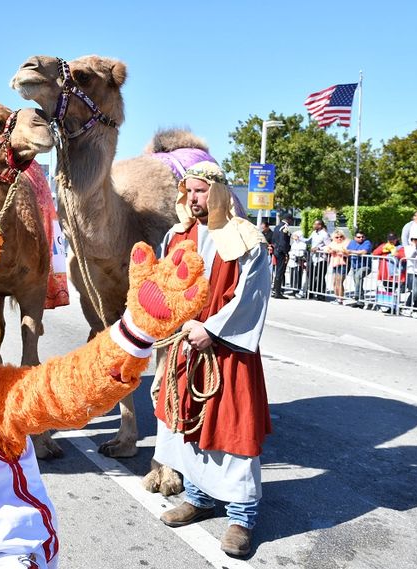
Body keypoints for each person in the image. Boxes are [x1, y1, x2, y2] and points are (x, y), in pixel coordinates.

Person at [152, 161, 271, 558]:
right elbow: (163, 284)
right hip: (184, 349)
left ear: (218, 193)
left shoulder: (245, 239)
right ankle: (199, 497)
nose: (193, 199)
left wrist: (213, 329)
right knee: (187, 426)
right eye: (189, 191)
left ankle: (241, 517)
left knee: (233, 434)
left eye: (200, 191)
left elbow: (251, 296)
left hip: (225, 353)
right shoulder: (177, 234)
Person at [372, 234, 406, 312]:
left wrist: (396, 253)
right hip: (384, 274)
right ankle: (391, 306)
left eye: (393, 239)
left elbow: (404, 257)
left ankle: (394, 307)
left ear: (396, 239)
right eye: (389, 239)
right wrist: (384, 249)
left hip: (395, 274)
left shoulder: (400, 248)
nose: (391, 241)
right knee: (388, 290)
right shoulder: (384, 245)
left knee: (394, 291)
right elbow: (374, 253)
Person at [346, 229, 373, 307]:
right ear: (355, 237)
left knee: (358, 277)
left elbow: (364, 251)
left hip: (365, 266)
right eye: (359, 237)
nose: (361, 238)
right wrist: (351, 251)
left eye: (362, 237)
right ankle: (360, 302)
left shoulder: (367, 242)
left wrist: (352, 251)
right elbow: (347, 251)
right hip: (355, 266)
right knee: (357, 282)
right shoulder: (352, 242)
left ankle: (357, 295)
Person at [401, 234, 417, 317]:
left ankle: (416, 308)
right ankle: (407, 307)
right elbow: (410, 257)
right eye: (413, 239)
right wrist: (414, 247)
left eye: (416, 239)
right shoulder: (408, 248)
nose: (415, 241)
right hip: (412, 271)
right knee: (414, 291)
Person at [323, 230, 350, 304]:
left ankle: (340, 299)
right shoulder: (333, 243)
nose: (339, 238)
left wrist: (336, 250)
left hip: (343, 263)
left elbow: (347, 251)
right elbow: (326, 248)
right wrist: (329, 250)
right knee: (334, 282)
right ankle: (337, 298)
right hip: (335, 263)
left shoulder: (346, 242)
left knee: (339, 281)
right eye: (337, 237)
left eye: (341, 237)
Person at [307, 220, 331, 299]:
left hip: (321, 259)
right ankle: (311, 292)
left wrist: (319, 248)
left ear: (320, 226)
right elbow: (308, 241)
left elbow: (329, 246)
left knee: (320, 277)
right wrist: (298, 238)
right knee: (311, 276)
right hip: (313, 257)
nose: (313, 225)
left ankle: (321, 295)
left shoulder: (325, 234)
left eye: (315, 224)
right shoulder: (314, 233)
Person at [270, 215, 292, 299]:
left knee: (278, 272)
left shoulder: (277, 227)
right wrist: (286, 252)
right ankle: (277, 292)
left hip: (276, 250)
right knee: (280, 271)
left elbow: (273, 239)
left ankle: (275, 290)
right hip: (281, 252)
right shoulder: (284, 227)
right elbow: (283, 241)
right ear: (288, 219)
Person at [288, 230, 308, 296]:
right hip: (292, 261)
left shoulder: (303, 244)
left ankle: (297, 289)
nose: (294, 237)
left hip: (298, 262)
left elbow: (302, 252)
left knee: (297, 276)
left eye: (296, 236)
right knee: (292, 275)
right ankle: (293, 289)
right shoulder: (294, 243)